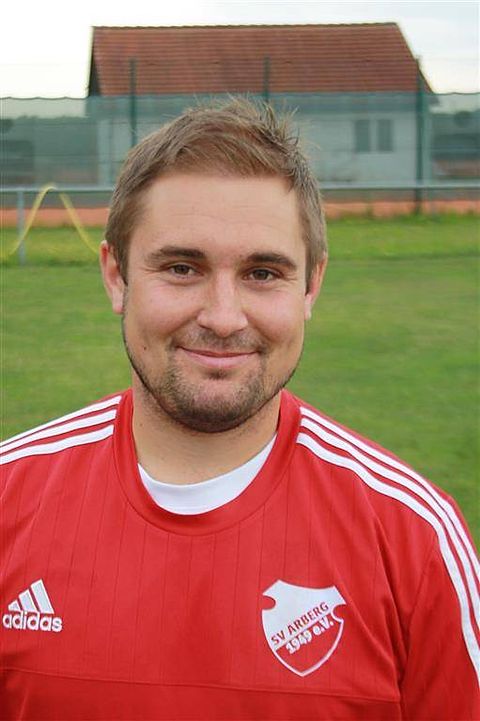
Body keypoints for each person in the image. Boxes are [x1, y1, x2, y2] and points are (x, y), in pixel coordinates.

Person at [0, 99, 478, 721]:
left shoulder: (415, 539)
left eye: (263, 273)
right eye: (181, 267)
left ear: (311, 287)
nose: (223, 318)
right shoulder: (10, 499)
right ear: (116, 276)